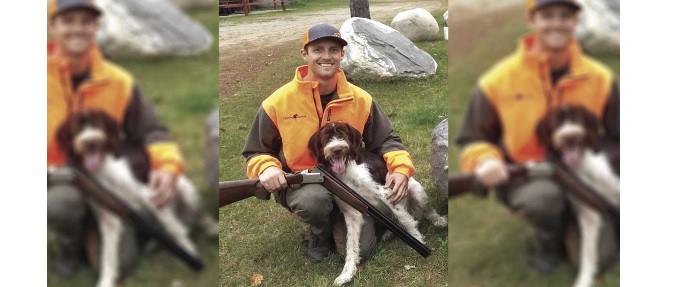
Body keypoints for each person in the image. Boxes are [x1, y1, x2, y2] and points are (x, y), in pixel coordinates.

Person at [455, 0, 619, 273]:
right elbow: (474, 138)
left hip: (588, 171)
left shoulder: (599, 77)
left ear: (575, 22)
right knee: (542, 201)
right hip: (530, 175)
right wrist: (485, 160)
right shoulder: (498, 79)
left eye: (565, 16)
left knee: (599, 259)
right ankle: (549, 242)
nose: (556, 23)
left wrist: (600, 161)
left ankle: (587, 218)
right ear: (532, 21)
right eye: (548, 16)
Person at [242, 23, 415, 261]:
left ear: (342, 54)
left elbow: (386, 139)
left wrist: (401, 169)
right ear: (305, 54)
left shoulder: (361, 99)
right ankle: (318, 233)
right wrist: (267, 167)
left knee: (362, 252)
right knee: (313, 201)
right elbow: (256, 150)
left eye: (334, 50)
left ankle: (365, 216)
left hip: (349, 182)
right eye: (318, 50)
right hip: (304, 184)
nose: (327, 56)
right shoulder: (277, 102)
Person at [47, 0, 185, 277]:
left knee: (120, 265)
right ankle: (69, 250)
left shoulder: (119, 81)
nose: (77, 29)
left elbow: (150, 130)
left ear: (96, 26)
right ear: (52, 25)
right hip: (58, 179)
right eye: (68, 20)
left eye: (85, 21)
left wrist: (167, 167)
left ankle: (121, 226)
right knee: (61, 204)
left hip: (107, 180)